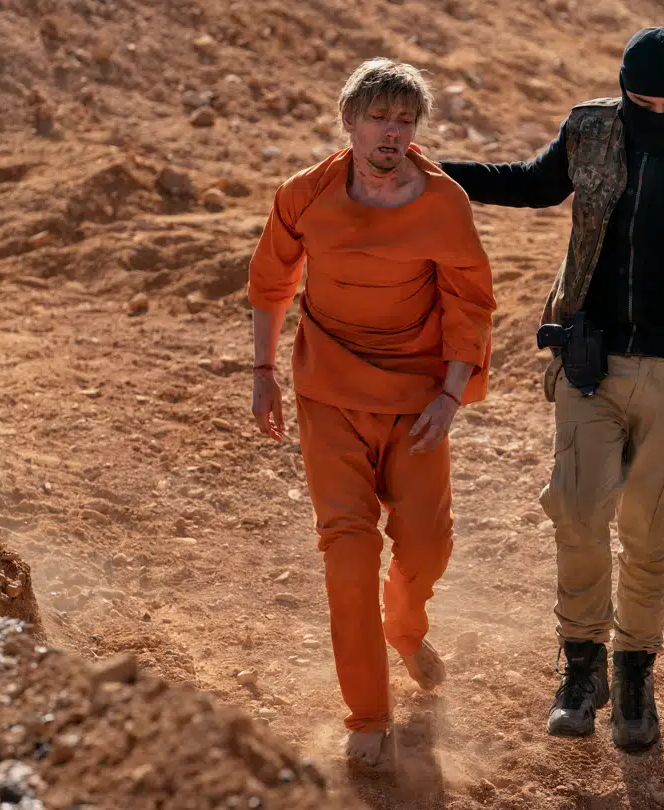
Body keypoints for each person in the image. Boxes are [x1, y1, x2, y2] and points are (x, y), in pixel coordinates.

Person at [440, 27, 664, 753]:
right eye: (641, 101)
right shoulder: (588, 130)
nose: (654, 113)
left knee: (652, 530)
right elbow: (529, 184)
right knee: (576, 511)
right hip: (587, 359)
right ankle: (581, 669)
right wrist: (435, 172)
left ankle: (633, 677)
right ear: (622, 88)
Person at [247, 58, 496, 771]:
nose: (392, 132)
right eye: (379, 118)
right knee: (348, 553)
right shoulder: (305, 194)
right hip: (328, 396)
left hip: (417, 403)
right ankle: (367, 715)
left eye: (405, 120)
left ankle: (405, 628)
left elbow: (470, 303)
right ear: (349, 121)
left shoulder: (443, 203)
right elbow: (270, 282)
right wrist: (263, 373)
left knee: (426, 547)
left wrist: (450, 396)